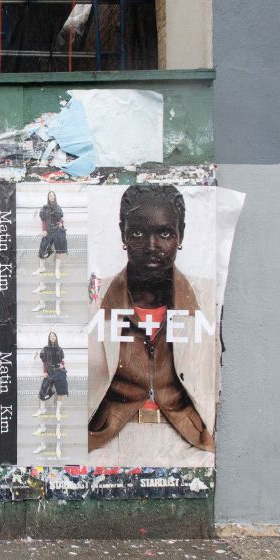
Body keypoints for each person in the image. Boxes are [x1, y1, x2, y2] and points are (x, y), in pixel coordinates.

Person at [87, 184, 217, 467]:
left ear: (181, 234)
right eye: (137, 233)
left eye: (165, 233)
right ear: (123, 234)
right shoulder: (92, 298)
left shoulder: (210, 299)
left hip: (191, 446)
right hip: (105, 445)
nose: (151, 246)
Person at [33, 331, 67, 457]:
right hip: (49, 372)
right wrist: (45, 371)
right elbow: (44, 362)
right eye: (51, 336)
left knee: (60, 391)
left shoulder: (59, 349)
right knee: (43, 392)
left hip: (59, 371)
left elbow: (62, 361)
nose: (53, 338)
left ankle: (57, 411)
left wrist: (62, 366)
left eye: (54, 336)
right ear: (49, 338)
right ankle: (42, 410)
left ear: (56, 338)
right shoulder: (45, 349)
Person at [32, 191, 67, 314]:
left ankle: (57, 269)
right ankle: (41, 267)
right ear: (48, 197)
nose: (51, 197)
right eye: (50, 195)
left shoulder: (58, 208)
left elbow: (61, 219)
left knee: (59, 249)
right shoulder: (45, 208)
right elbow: (43, 221)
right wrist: (43, 230)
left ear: (55, 197)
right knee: (42, 249)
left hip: (57, 230)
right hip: (48, 231)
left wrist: (61, 225)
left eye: (53, 195)